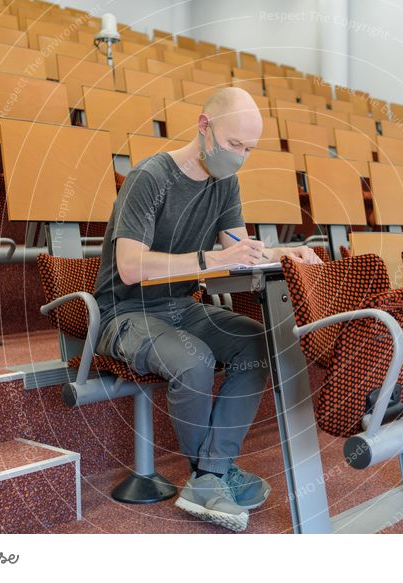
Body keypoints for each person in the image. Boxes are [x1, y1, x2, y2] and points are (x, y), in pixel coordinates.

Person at [93, 87, 322, 532]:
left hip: (179, 305)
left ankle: (211, 473)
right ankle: (211, 477)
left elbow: (237, 252)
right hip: (123, 313)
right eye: (234, 144)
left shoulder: (225, 183)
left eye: (248, 149)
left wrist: (287, 252)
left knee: (256, 343)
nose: (239, 157)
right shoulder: (150, 178)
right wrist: (206, 261)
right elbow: (129, 265)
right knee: (194, 358)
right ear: (204, 127)